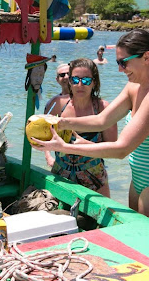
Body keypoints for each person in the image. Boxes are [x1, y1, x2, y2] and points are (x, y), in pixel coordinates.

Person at [32, 29, 149, 234]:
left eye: (123, 62)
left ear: (146, 57)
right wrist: (59, 123)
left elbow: (121, 149)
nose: (120, 70)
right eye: (118, 63)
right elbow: (102, 120)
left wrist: (67, 147)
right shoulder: (135, 86)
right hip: (140, 178)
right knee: (140, 244)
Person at [46, 58, 117, 197]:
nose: (80, 85)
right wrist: (48, 156)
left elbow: (113, 150)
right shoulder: (57, 105)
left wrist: (86, 144)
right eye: (75, 80)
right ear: (70, 81)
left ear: (94, 83)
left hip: (95, 182)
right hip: (60, 178)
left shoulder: (103, 108)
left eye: (86, 80)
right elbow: (43, 135)